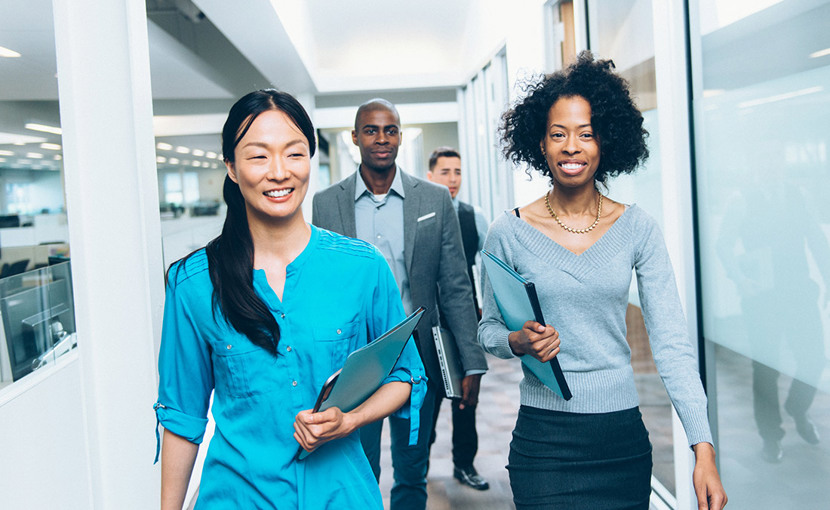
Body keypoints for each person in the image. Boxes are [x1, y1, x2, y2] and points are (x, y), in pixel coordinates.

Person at [154, 89, 425, 510]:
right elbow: (182, 416)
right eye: (258, 156)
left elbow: (404, 376)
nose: (279, 172)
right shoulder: (192, 283)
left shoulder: (362, 268)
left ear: (310, 161)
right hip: (238, 497)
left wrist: (349, 419)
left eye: (294, 154)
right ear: (231, 166)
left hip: (342, 495)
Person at [479, 52, 728, 509]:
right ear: (540, 144)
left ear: (606, 142)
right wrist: (518, 340)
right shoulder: (506, 231)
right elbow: (488, 331)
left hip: (620, 441)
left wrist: (703, 448)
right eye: (559, 134)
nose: (572, 146)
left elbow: (671, 344)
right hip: (544, 443)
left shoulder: (638, 229)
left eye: (586, 134)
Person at [312, 98, 488, 510]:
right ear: (354, 137)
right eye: (371, 130)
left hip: (417, 357)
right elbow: (322, 289)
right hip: (354, 363)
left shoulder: (432, 199)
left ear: (400, 137)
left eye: (390, 130)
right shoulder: (326, 204)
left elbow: (457, 286)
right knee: (360, 467)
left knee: (412, 471)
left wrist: (472, 360)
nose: (381, 138)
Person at [424, 146, 490, 490]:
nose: (452, 179)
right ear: (430, 175)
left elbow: (483, 267)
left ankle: (464, 465)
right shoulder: (419, 214)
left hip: (462, 319)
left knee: (467, 397)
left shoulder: (472, 215)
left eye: (458, 172)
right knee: (427, 397)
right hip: (427, 321)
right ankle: (418, 464)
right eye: (445, 172)